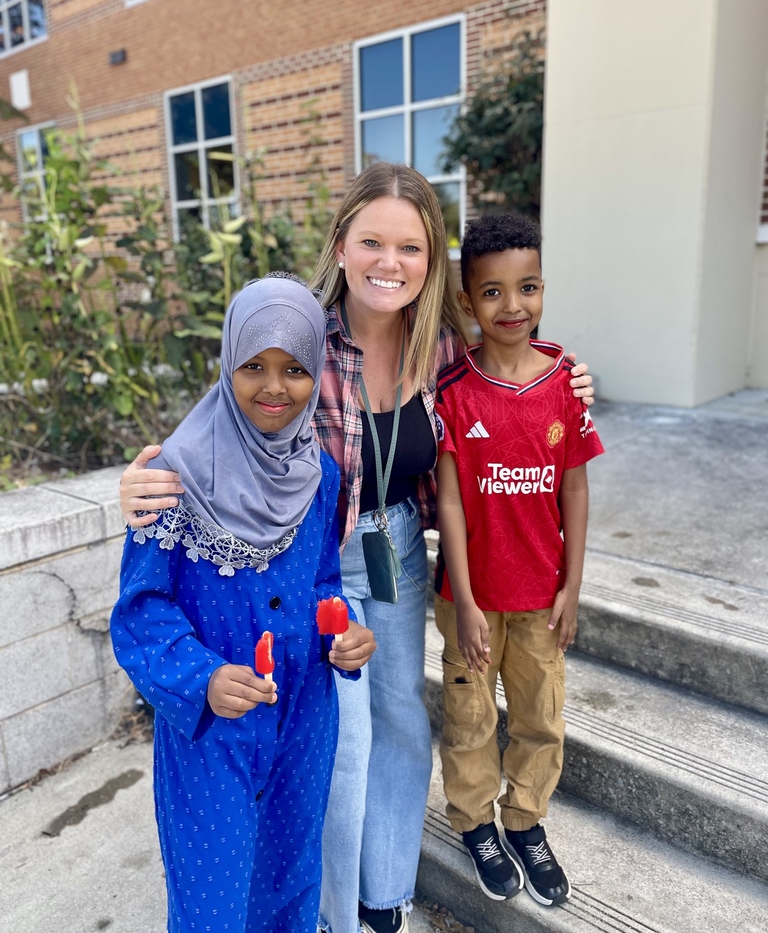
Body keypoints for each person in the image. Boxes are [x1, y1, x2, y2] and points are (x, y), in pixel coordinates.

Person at [117, 163, 595, 933]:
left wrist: (571, 383)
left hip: (396, 545)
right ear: (341, 245)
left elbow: (516, 369)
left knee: (403, 722)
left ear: (432, 261)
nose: (390, 262)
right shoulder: (303, 330)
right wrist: (143, 481)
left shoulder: (442, 346)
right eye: (372, 242)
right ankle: (331, 911)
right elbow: (230, 410)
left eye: (411, 247)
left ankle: (384, 895)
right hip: (311, 555)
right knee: (343, 739)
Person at [111, 275, 376, 933]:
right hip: (213, 731)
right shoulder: (171, 477)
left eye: (295, 369)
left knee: (289, 879)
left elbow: (322, 583)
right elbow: (142, 613)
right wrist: (202, 677)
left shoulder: (320, 475)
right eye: (254, 365)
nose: (274, 387)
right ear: (228, 361)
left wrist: (343, 634)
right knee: (213, 897)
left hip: (304, 715)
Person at [434, 213, 604, 910]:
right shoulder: (453, 391)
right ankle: (476, 823)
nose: (513, 306)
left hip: (542, 596)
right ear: (468, 301)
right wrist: (466, 602)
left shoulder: (565, 384)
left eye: (527, 287)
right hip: (470, 600)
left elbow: (575, 489)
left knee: (540, 716)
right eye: (493, 292)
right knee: (470, 718)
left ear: (542, 288)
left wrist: (573, 587)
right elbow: (448, 503)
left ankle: (526, 821)